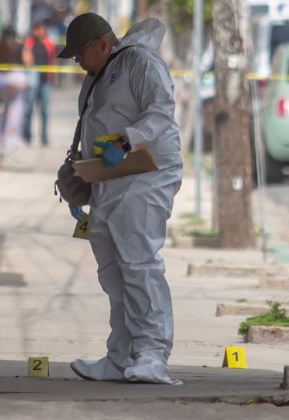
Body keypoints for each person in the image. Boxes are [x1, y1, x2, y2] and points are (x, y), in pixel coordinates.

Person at [59, 13, 183, 384]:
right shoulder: (96, 78)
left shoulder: (141, 63)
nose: (78, 63)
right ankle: (120, 356)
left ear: (101, 43)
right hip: (110, 179)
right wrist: (83, 179)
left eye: (80, 54)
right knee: (113, 270)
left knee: (139, 262)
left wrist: (127, 139)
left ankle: (152, 354)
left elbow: (161, 112)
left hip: (147, 174)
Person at [22, 21, 57, 146]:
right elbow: (26, 59)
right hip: (33, 79)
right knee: (29, 109)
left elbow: (53, 58)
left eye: (40, 29)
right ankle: (27, 137)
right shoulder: (29, 42)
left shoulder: (48, 43)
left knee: (44, 110)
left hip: (45, 81)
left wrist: (52, 75)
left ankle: (44, 138)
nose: (38, 32)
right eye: (36, 29)